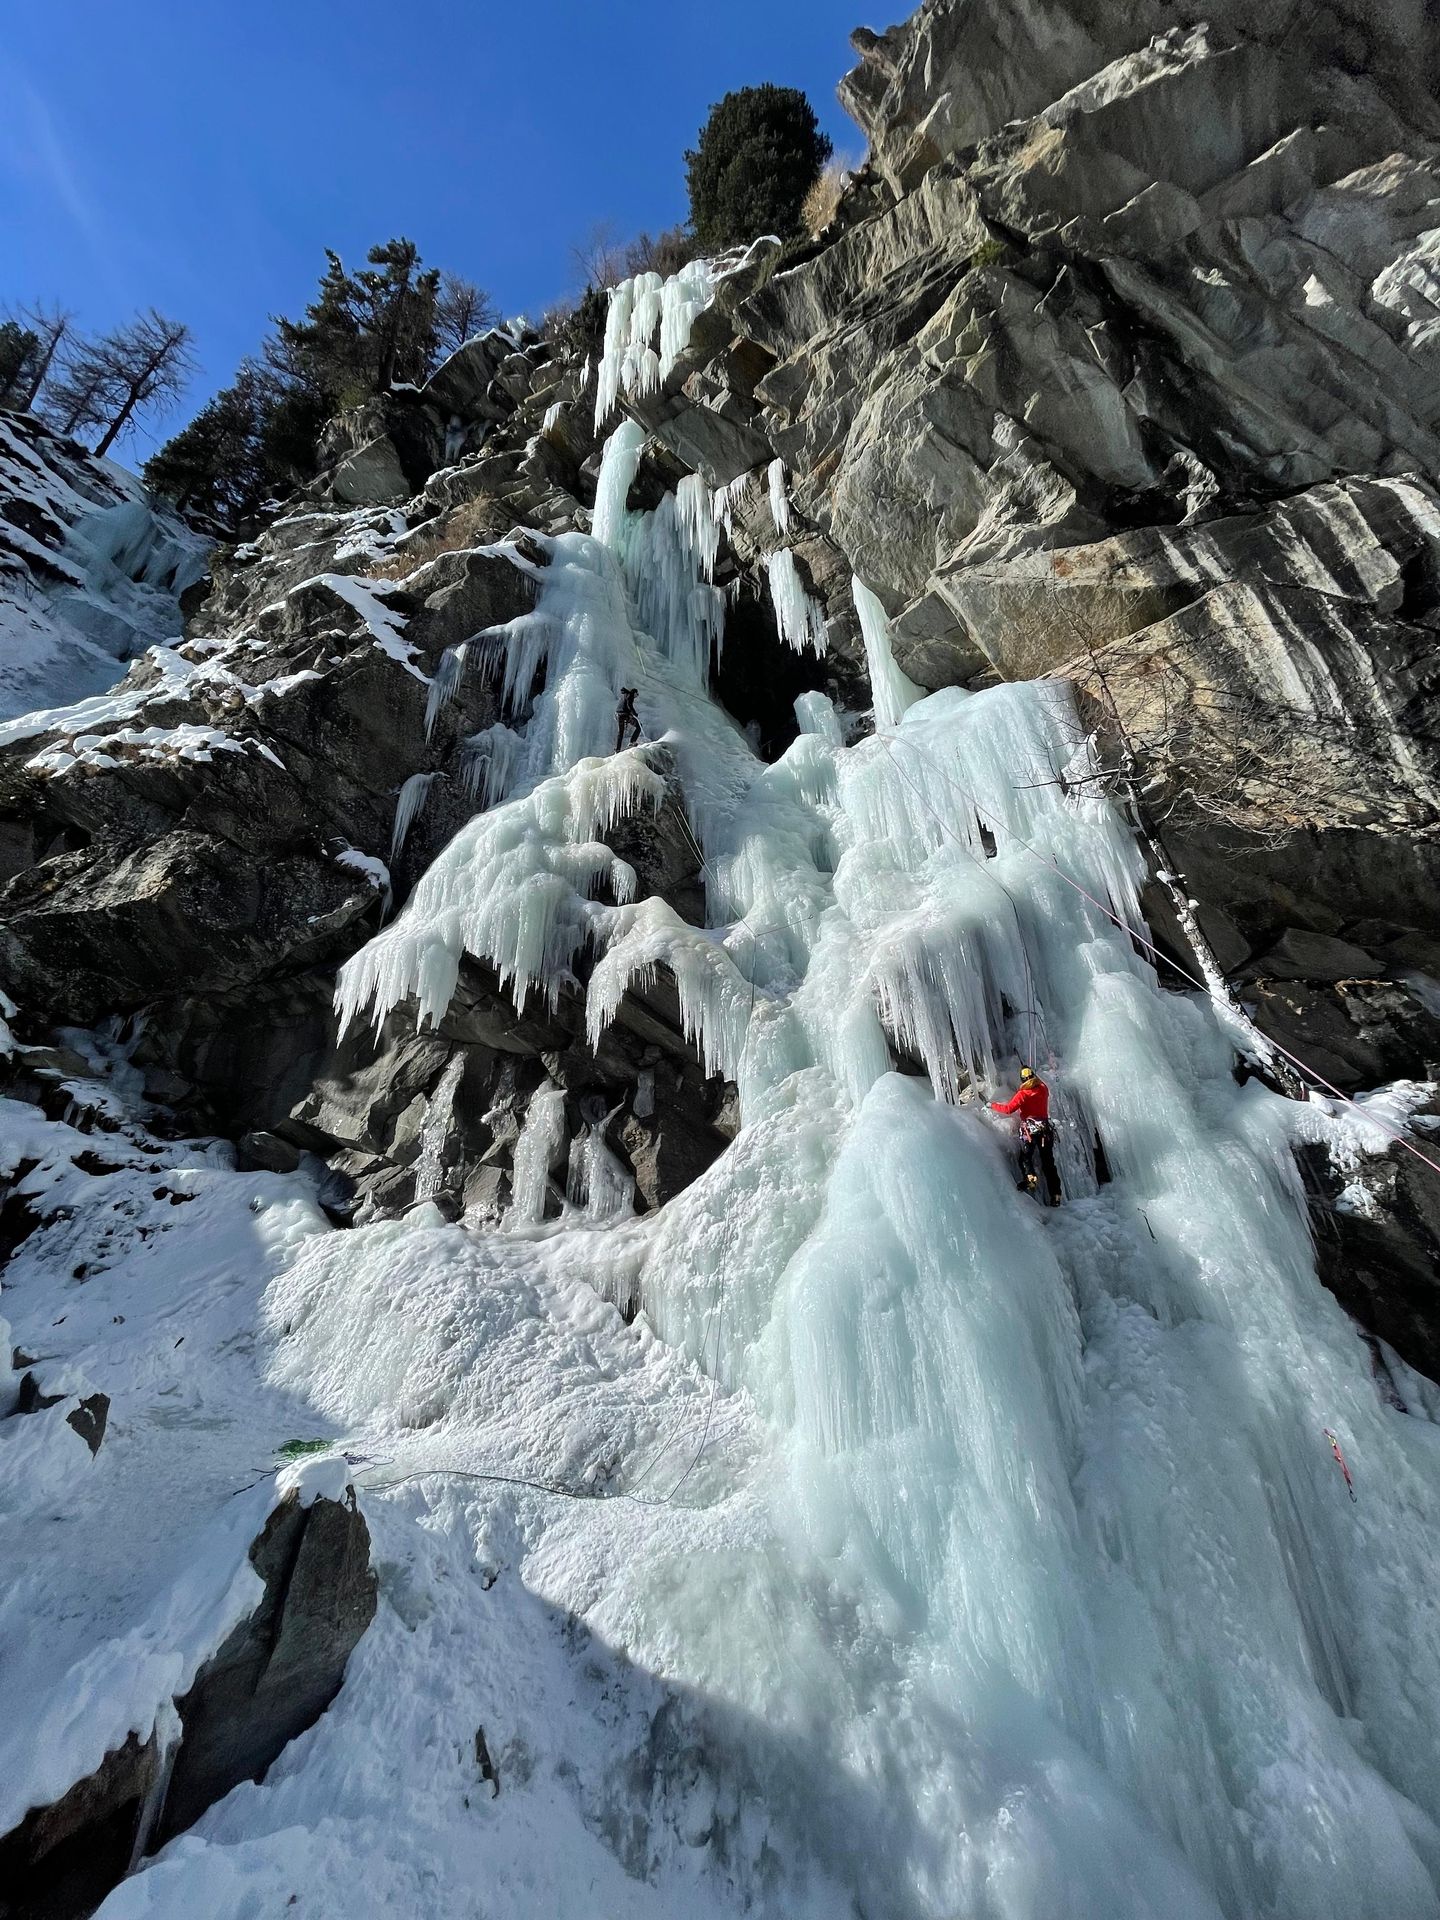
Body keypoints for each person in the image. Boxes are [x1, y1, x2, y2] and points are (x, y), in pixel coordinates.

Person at [990, 1065, 1062, 1206]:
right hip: (1045, 1131)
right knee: (1049, 1163)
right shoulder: (1043, 1089)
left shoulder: (1022, 1094)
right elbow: (1040, 1081)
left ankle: (1030, 1179)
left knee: (1026, 1157)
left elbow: (1008, 1109)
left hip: (1030, 1131)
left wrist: (991, 1105)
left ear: (1022, 1080)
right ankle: (1056, 1195)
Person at [615, 687, 641, 752]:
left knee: (620, 733)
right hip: (625, 715)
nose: (636, 696)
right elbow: (629, 705)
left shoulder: (625, 695)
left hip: (619, 715)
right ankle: (632, 741)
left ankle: (617, 749)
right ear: (635, 693)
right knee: (639, 726)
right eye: (637, 695)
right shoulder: (630, 695)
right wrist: (634, 713)